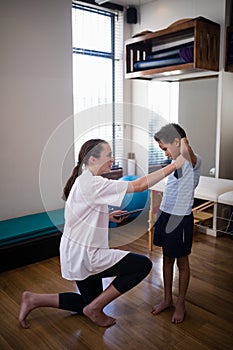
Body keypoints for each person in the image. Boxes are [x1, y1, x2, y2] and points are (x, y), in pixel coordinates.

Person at [19, 138, 185, 329]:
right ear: (92, 160)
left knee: (86, 304)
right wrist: (174, 165)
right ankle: (96, 308)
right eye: (108, 155)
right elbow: (139, 186)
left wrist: (107, 216)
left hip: (73, 252)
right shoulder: (93, 183)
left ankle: (33, 299)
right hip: (86, 255)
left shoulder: (83, 180)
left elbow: (82, 214)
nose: (112, 159)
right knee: (142, 265)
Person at [151, 123, 202, 324]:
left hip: (181, 219)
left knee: (182, 262)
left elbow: (186, 150)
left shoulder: (192, 161)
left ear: (177, 142)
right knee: (166, 257)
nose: (165, 153)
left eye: (165, 148)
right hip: (166, 215)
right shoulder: (174, 164)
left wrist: (182, 142)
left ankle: (181, 303)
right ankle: (167, 299)